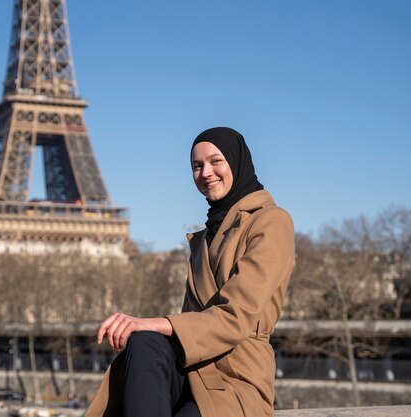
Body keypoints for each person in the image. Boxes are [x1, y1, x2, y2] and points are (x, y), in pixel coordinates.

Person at [85, 127, 295, 417]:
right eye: (197, 166)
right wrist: (147, 329)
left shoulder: (271, 222)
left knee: (148, 334)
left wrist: (154, 322)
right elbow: (191, 320)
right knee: (144, 342)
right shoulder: (205, 237)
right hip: (193, 368)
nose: (205, 172)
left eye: (215, 161)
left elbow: (236, 316)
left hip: (235, 376)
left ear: (237, 161)